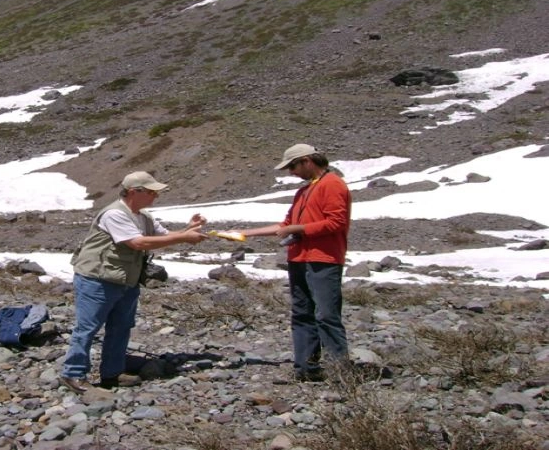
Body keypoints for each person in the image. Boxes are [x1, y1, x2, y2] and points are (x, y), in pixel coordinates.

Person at [60, 171, 208, 393]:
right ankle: (73, 373)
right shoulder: (114, 215)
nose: (155, 196)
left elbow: (164, 235)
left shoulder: (144, 216)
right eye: (151, 192)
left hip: (126, 280)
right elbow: (137, 243)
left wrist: (188, 229)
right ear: (133, 192)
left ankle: (112, 373)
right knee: (88, 327)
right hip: (97, 278)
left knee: (121, 327)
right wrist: (184, 237)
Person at [231, 144, 351, 382]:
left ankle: (340, 372)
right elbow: (283, 225)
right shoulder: (303, 192)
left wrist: (298, 229)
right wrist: (245, 232)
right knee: (302, 313)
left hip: (323, 259)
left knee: (326, 314)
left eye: (293, 166)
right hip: (298, 258)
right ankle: (306, 368)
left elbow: (335, 223)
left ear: (307, 161)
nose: (291, 172)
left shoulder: (333, 184)